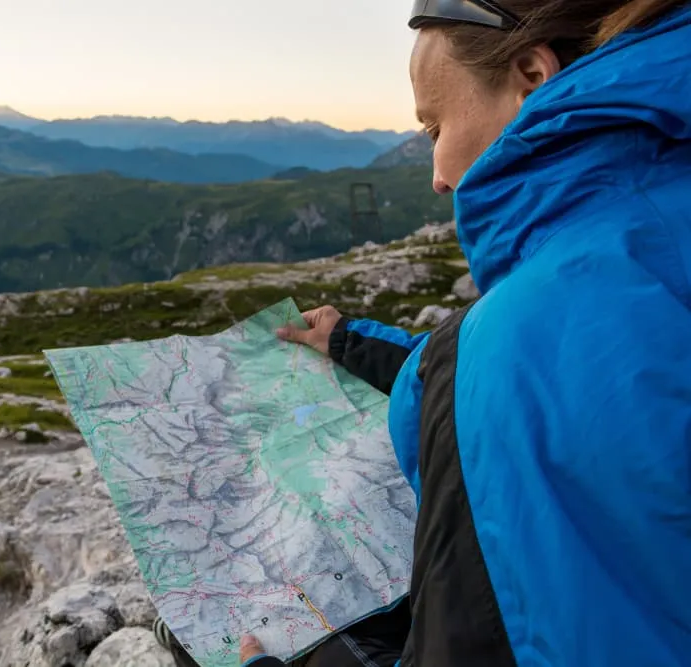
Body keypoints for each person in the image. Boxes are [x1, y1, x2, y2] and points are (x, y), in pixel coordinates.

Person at [232, 0, 691, 666]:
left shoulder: (510, 353)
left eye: (434, 125)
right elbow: (606, 357)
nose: (439, 175)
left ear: (531, 74)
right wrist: (350, 341)